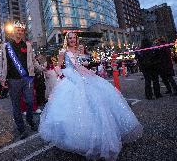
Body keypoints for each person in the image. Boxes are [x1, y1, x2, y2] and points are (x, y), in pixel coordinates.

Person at [39, 32, 143, 161]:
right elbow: (58, 66)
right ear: (67, 39)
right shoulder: (63, 51)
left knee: (95, 104)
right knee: (75, 106)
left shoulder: (79, 50)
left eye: (74, 38)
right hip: (71, 80)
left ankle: (98, 136)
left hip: (85, 77)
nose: (72, 40)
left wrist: (87, 68)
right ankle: (78, 138)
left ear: (76, 39)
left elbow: (84, 64)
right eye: (70, 38)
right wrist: (62, 76)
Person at [0, 21, 44, 140]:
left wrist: (41, 68)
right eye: (17, 30)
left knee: (30, 101)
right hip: (13, 79)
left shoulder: (27, 45)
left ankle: (30, 119)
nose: (20, 32)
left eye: (22, 30)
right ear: (13, 31)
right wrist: (2, 78)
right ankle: (21, 128)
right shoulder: (6, 46)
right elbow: (2, 63)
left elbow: (33, 61)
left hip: (27, 78)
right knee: (16, 105)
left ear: (23, 32)